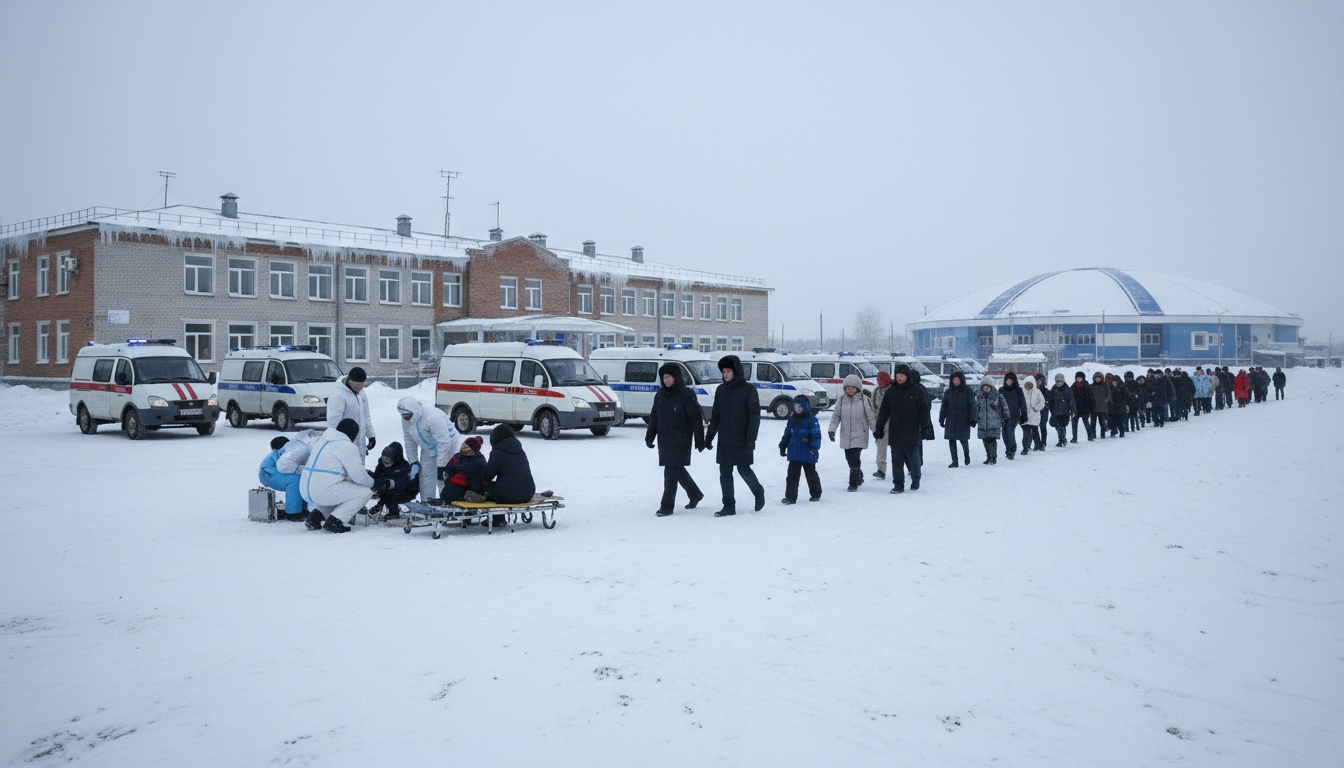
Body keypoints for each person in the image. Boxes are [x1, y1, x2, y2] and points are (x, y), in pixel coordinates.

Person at [704, 354, 765, 516]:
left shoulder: (748, 390)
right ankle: (729, 505)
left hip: (742, 438)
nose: (725, 374)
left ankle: (758, 492)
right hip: (725, 439)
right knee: (724, 472)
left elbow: (754, 416)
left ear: (736, 371)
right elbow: (716, 415)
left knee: (744, 469)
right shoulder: (721, 390)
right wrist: (709, 436)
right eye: (723, 371)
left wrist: (751, 439)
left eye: (728, 371)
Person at [645, 362, 706, 516]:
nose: (666, 380)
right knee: (677, 469)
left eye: (669, 377)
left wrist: (699, 439)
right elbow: (654, 417)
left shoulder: (686, 394)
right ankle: (695, 494)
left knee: (670, 472)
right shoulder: (660, 395)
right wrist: (650, 436)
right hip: (665, 439)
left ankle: (666, 506)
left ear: (676, 377)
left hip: (681, 439)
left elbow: (696, 418)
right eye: (664, 377)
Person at [300, 418, 374, 533]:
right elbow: (358, 477)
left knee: (336, 489)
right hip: (321, 491)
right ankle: (335, 521)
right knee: (365, 492)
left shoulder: (321, 441)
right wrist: (374, 483)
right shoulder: (348, 447)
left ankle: (315, 517)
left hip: (305, 489)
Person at [873, 364, 929, 493]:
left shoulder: (916, 391)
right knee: (896, 459)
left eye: (901, 376)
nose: (899, 378)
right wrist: (879, 428)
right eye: (897, 376)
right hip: (896, 431)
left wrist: (925, 427)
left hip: (912, 430)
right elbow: (884, 411)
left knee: (913, 457)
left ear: (907, 376)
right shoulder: (891, 392)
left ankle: (916, 478)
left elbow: (924, 410)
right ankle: (898, 484)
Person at [397, 396, 460, 503]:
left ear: (414, 410)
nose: (405, 416)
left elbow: (443, 441)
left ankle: (447, 502)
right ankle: (426, 502)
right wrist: (413, 461)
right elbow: (409, 440)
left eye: (407, 414)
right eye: (403, 414)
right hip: (428, 448)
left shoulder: (432, 416)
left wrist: (441, 465)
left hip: (449, 446)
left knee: (443, 477)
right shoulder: (406, 420)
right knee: (425, 476)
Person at [828, 374, 875, 492]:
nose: (850, 390)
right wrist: (831, 430)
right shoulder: (841, 400)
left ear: (858, 388)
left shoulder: (864, 400)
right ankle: (859, 476)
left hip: (860, 433)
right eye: (848, 387)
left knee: (855, 457)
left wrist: (875, 430)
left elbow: (871, 417)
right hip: (846, 434)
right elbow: (836, 416)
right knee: (848, 458)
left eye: (853, 388)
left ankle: (853, 483)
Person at [780, 394, 822, 503]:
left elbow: (816, 435)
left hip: (808, 451)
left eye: (800, 407)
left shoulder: (812, 420)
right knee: (792, 476)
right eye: (795, 407)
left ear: (805, 407)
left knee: (811, 474)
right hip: (794, 452)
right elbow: (787, 434)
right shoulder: (792, 420)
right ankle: (790, 496)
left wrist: (814, 447)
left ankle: (816, 493)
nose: (797, 409)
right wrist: (783, 445)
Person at [327, 367, 376, 459]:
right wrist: (338, 442)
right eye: (358, 384)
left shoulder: (361, 394)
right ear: (350, 381)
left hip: (360, 442)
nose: (361, 387)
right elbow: (333, 422)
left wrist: (371, 435)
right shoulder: (338, 395)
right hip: (344, 443)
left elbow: (366, 417)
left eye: (362, 384)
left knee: (358, 467)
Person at [481, 424, 537, 504]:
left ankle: (497, 516)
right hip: (528, 493)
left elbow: (487, 476)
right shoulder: (520, 450)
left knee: (485, 487)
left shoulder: (497, 452)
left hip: (506, 494)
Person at [258, 436, 306, 521]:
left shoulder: (294, 451)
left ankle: (302, 508)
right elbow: (287, 466)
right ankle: (293, 513)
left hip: (273, 472)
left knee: (302, 479)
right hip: (268, 474)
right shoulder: (285, 453)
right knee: (295, 481)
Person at [368, 441, 418, 520]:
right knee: (384, 491)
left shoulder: (403, 466)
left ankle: (393, 511)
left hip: (403, 492)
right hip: (385, 488)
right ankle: (379, 505)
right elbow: (378, 476)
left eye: (388, 460)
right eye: (383, 459)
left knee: (390, 494)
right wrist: (372, 476)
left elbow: (404, 482)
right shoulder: (381, 464)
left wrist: (390, 483)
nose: (385, 462)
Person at [938, 371, 975, 468]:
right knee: (951, 441)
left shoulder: (967, 391)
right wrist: (942, 418)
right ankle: (954, 461)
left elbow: (972, 405)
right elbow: (944, 406)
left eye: (958, 380)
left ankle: (966, 455)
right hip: (951, 419)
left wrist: (973, 418)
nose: (956, 382)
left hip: (963, 419)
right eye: (954, 380)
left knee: (963, 440)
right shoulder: (948, 392)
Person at [440, 436, 487, 505]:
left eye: (467, 446)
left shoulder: (477, 461)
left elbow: (477, 479)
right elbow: (448, 469)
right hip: (454, 485)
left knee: (447, 497)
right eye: (464, 444)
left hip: (462, 487)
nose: (463, 447)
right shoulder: (459, 456)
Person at [974, 378, 1011, 464]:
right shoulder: (979, 397)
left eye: (988, 386)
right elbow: (976, 409)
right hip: (983, 422)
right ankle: (988, 457)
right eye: (984, 386)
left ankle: (993, 458)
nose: (986, 388)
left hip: (994, 422)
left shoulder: (998, 396)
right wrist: (975, 418)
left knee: (992, 440)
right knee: (985, 440)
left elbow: (1004, 407)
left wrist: (1006, 417)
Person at [999, 372, 1027, 460]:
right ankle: (1008, 449)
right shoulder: (1001, 390)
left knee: (1010, 431)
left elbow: (1022, 403)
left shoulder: (1018, 390)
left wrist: (1024, 414)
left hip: (1014, 414)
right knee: (1004, 433)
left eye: (1010, 381)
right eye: (1007, 381)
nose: (1008, 382)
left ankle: (1012, 449)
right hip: (1003, 415)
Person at [870, 371, 892, 481]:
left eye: (882, 381)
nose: (880, 383)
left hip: (894, 424)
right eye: (878, 381)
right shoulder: (875, 392)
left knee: (899, 448)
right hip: (881, 425)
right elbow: (874, 408)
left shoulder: (893, 390)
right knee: (881, 447)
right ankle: (881, 470)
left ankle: (910, 467)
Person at [1046, 373, 1076, 447]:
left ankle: (1061, 440)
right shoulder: (1053, 389)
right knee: (1057, 426)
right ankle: (1063, 438)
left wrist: (1073, 410)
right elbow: (1051, 400)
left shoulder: (1067, 389)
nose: (1059, 383)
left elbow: (1071, 400)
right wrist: (1051, 408)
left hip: (1065, 411)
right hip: (1056, 411)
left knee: (1061, 426)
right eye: (1057, 381)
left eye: (1061, 381)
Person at [1021, 376, 1045, 455]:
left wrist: (1036, 408)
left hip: (1034, 416)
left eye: (1030, 385)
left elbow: (1042, 402)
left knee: (1035, 432)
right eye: (1026, 385)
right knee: (1026, 433)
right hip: (1025, 417)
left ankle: (1038, 445)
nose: (1028, 387)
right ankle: (1025, 447)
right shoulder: (1022, 392)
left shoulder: (1037, 391)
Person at [1071, 371, 1094, 442]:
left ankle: (1090, 435)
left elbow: (1090, 397)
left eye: (1080, 378)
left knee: (1086, 423)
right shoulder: (1073, 386)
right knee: (1074, 424)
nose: (1079, 379)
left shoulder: (1087, 386)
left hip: (1085, 407)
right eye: (1078, 378)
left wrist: (1090, 407)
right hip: (1076, 408)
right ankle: (1074, 438)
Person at [1089, 372, 1111, 440]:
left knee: (1102, 421)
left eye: (1099, 377)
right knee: (1093, 422)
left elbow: (1109, 393)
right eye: (1096, 378)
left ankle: (1103, 433)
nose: (1097, 379)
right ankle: (1093, 434)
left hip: (1102, 406)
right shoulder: (1091, 386)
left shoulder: (1105, 385)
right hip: (1094, 407)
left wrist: (1107, 400)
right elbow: (1089, 395)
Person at [1033, 373, 1050, 450]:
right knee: (1034, 428)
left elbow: (1049, 401)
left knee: (1043, 427)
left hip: (1044, 411)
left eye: (1040, 381)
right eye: (1037, 381)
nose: (1039, 382)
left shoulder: (1046, 391)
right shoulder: (1032, 391)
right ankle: (1037, 443)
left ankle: (1043, 443)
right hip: (1034, 411)